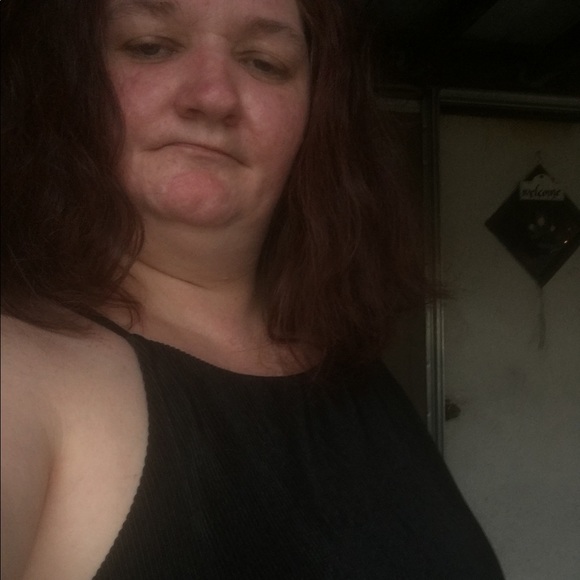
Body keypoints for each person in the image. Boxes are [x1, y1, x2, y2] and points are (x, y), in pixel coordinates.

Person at [1, 0, 504, 578]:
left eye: (264, 62)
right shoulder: (18, 374)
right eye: (151, 47)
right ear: (64, 80)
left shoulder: (351, 372)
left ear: (316, 116)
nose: (213, 97)